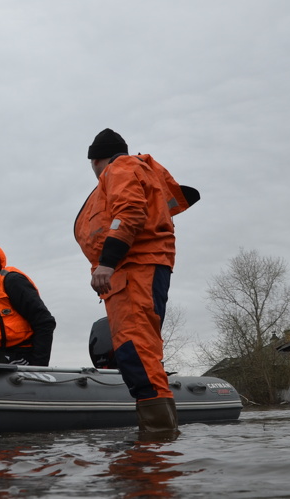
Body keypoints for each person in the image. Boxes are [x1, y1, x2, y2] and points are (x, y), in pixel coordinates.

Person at [74, 128, 199, 437]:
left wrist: (107, 262)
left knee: (137, 352)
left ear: (95, 160)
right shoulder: (134, 172)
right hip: (132, 274)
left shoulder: (121, 168)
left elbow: (129, 212)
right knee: (136, 352)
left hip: (135, 271)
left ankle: (157, 448)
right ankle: (161, 442)